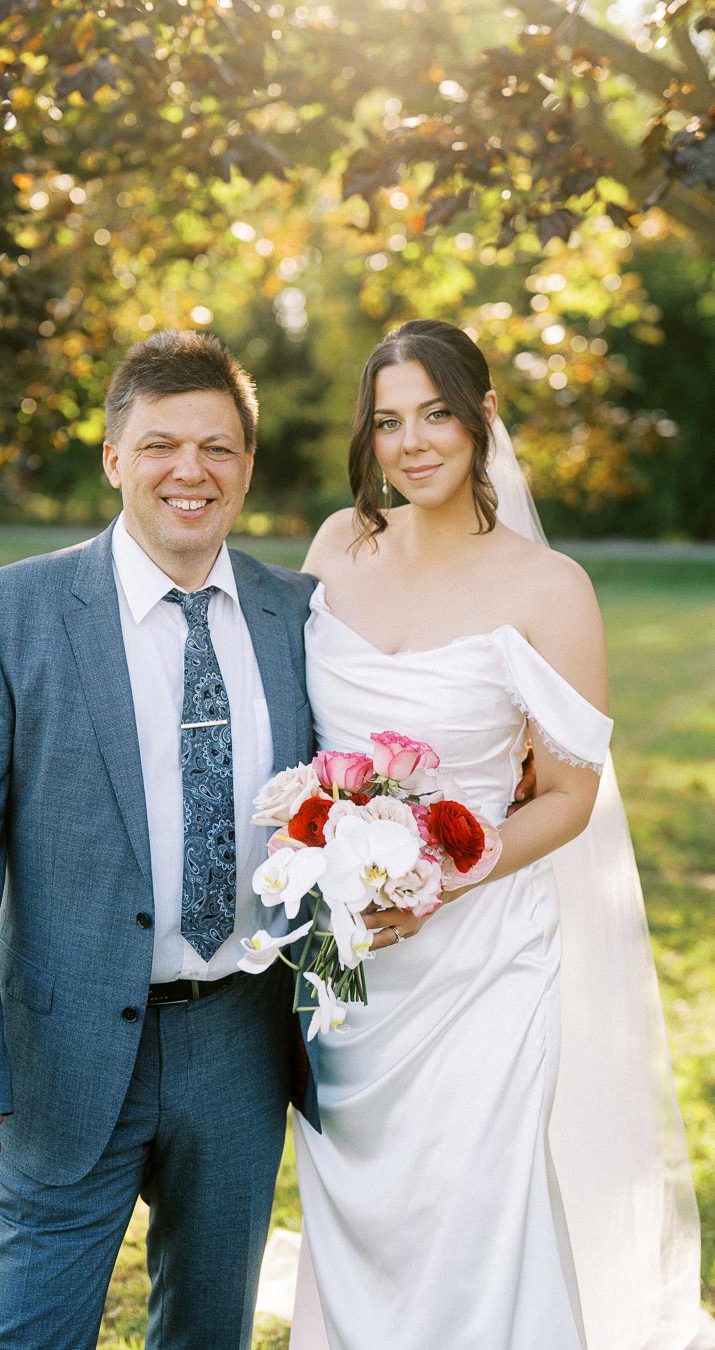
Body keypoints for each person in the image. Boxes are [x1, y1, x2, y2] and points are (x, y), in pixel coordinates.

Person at [289, 320, 707, 1349]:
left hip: (483, 957)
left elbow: (567, 794)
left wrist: (443, 876)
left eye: (436, 413)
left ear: (481, 421)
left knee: (476, 1207)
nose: (411, 443)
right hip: (350, 962)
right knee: (362, 1209)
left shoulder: (548, 588)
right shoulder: (337, 546)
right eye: (387, 422)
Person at [0, 330, 321, 1350]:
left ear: (247, 465)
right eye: (161, 445)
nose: (191, 471)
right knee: (27, 1332)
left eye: (218, 447)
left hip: (241, 1040)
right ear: (114, 458)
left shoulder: (301, 616)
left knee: (208, 1331)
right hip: (66, 1043)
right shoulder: (4, 616)